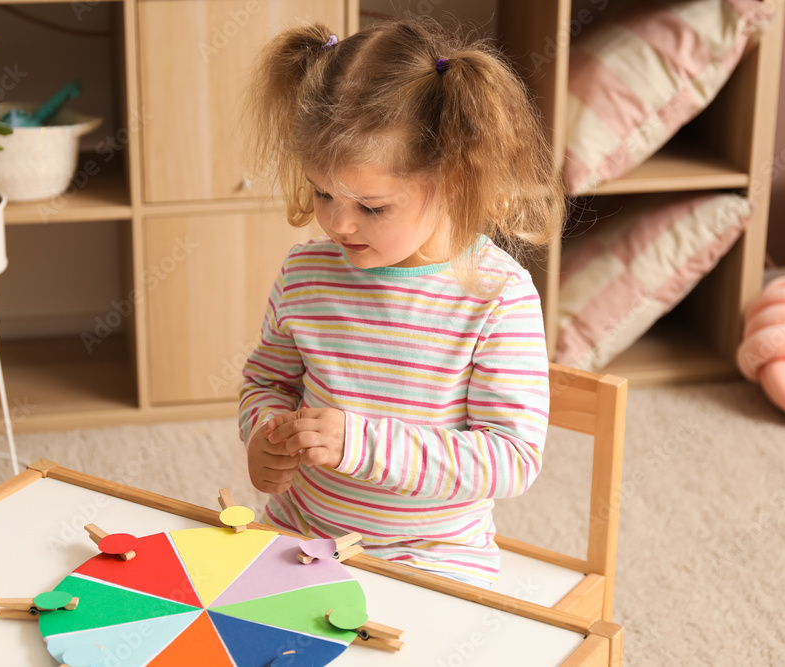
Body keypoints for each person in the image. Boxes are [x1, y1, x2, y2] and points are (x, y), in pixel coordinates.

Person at [238, 17, 563, 588]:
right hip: (301, 534)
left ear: (455, 180)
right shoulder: (305, 273)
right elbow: (266, 381)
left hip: (434, 556)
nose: (338, 222)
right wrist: (265, 432)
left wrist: (362, 445)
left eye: (372, 206)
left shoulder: (496, 297)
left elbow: (511, 459)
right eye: (322, 192)